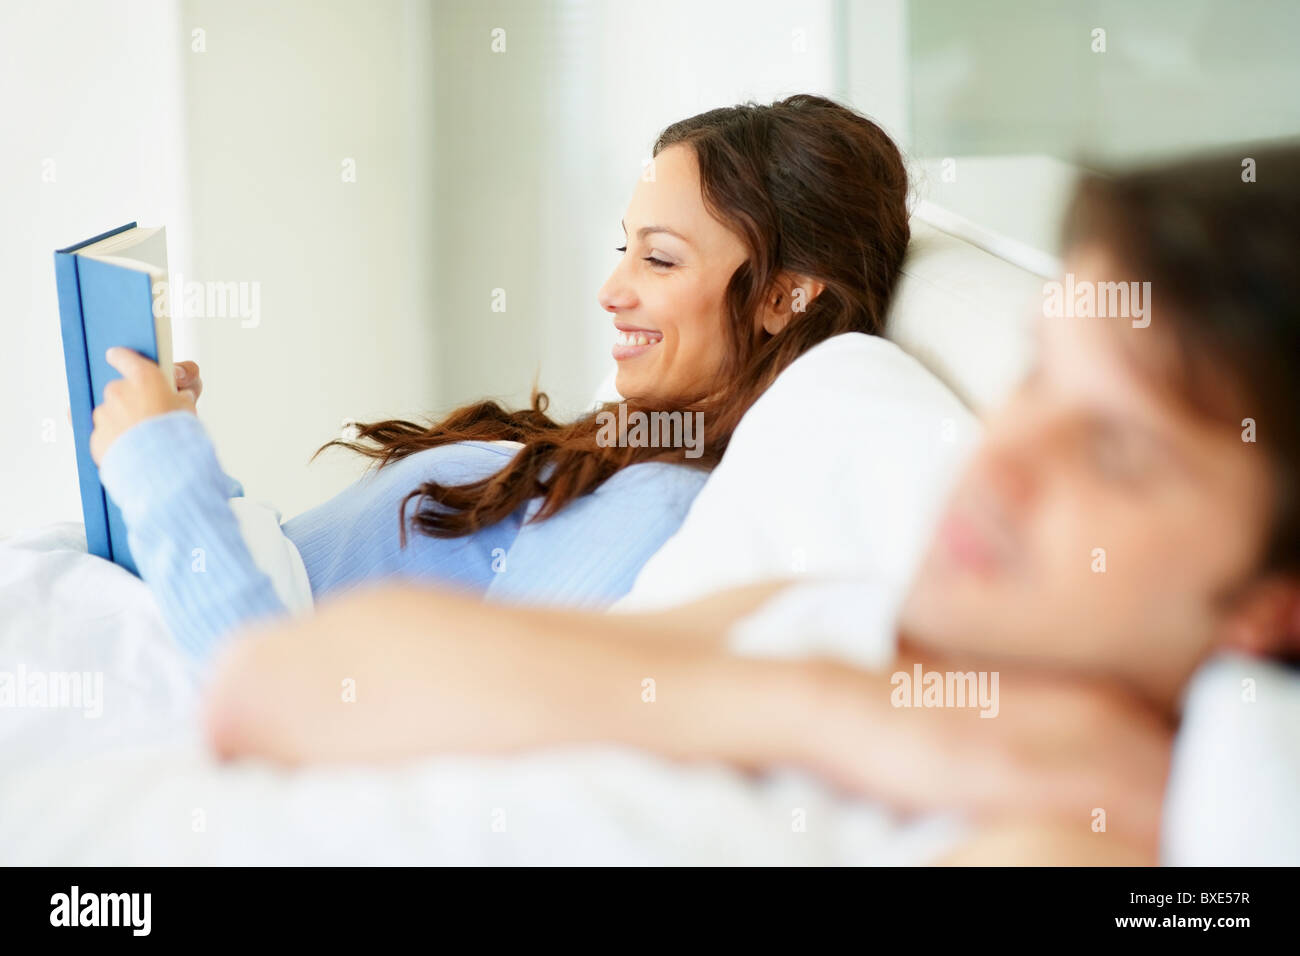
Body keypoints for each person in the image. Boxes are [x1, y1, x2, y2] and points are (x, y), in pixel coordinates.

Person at [202, 144, 1300, 864]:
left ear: (1270, 605)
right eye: (1038, 376)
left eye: (1114, 448)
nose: (1003, 459)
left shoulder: (1078, 827)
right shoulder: (847, 629)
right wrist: (838, 712)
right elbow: (265, 684)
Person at [87, 94, 911, 663]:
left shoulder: (662, 512)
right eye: (623, 248)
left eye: (659, 258)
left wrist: (166, 473)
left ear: (781, 297)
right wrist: (186, 463)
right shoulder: (632, 449)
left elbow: (299, 707)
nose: (612, 290)